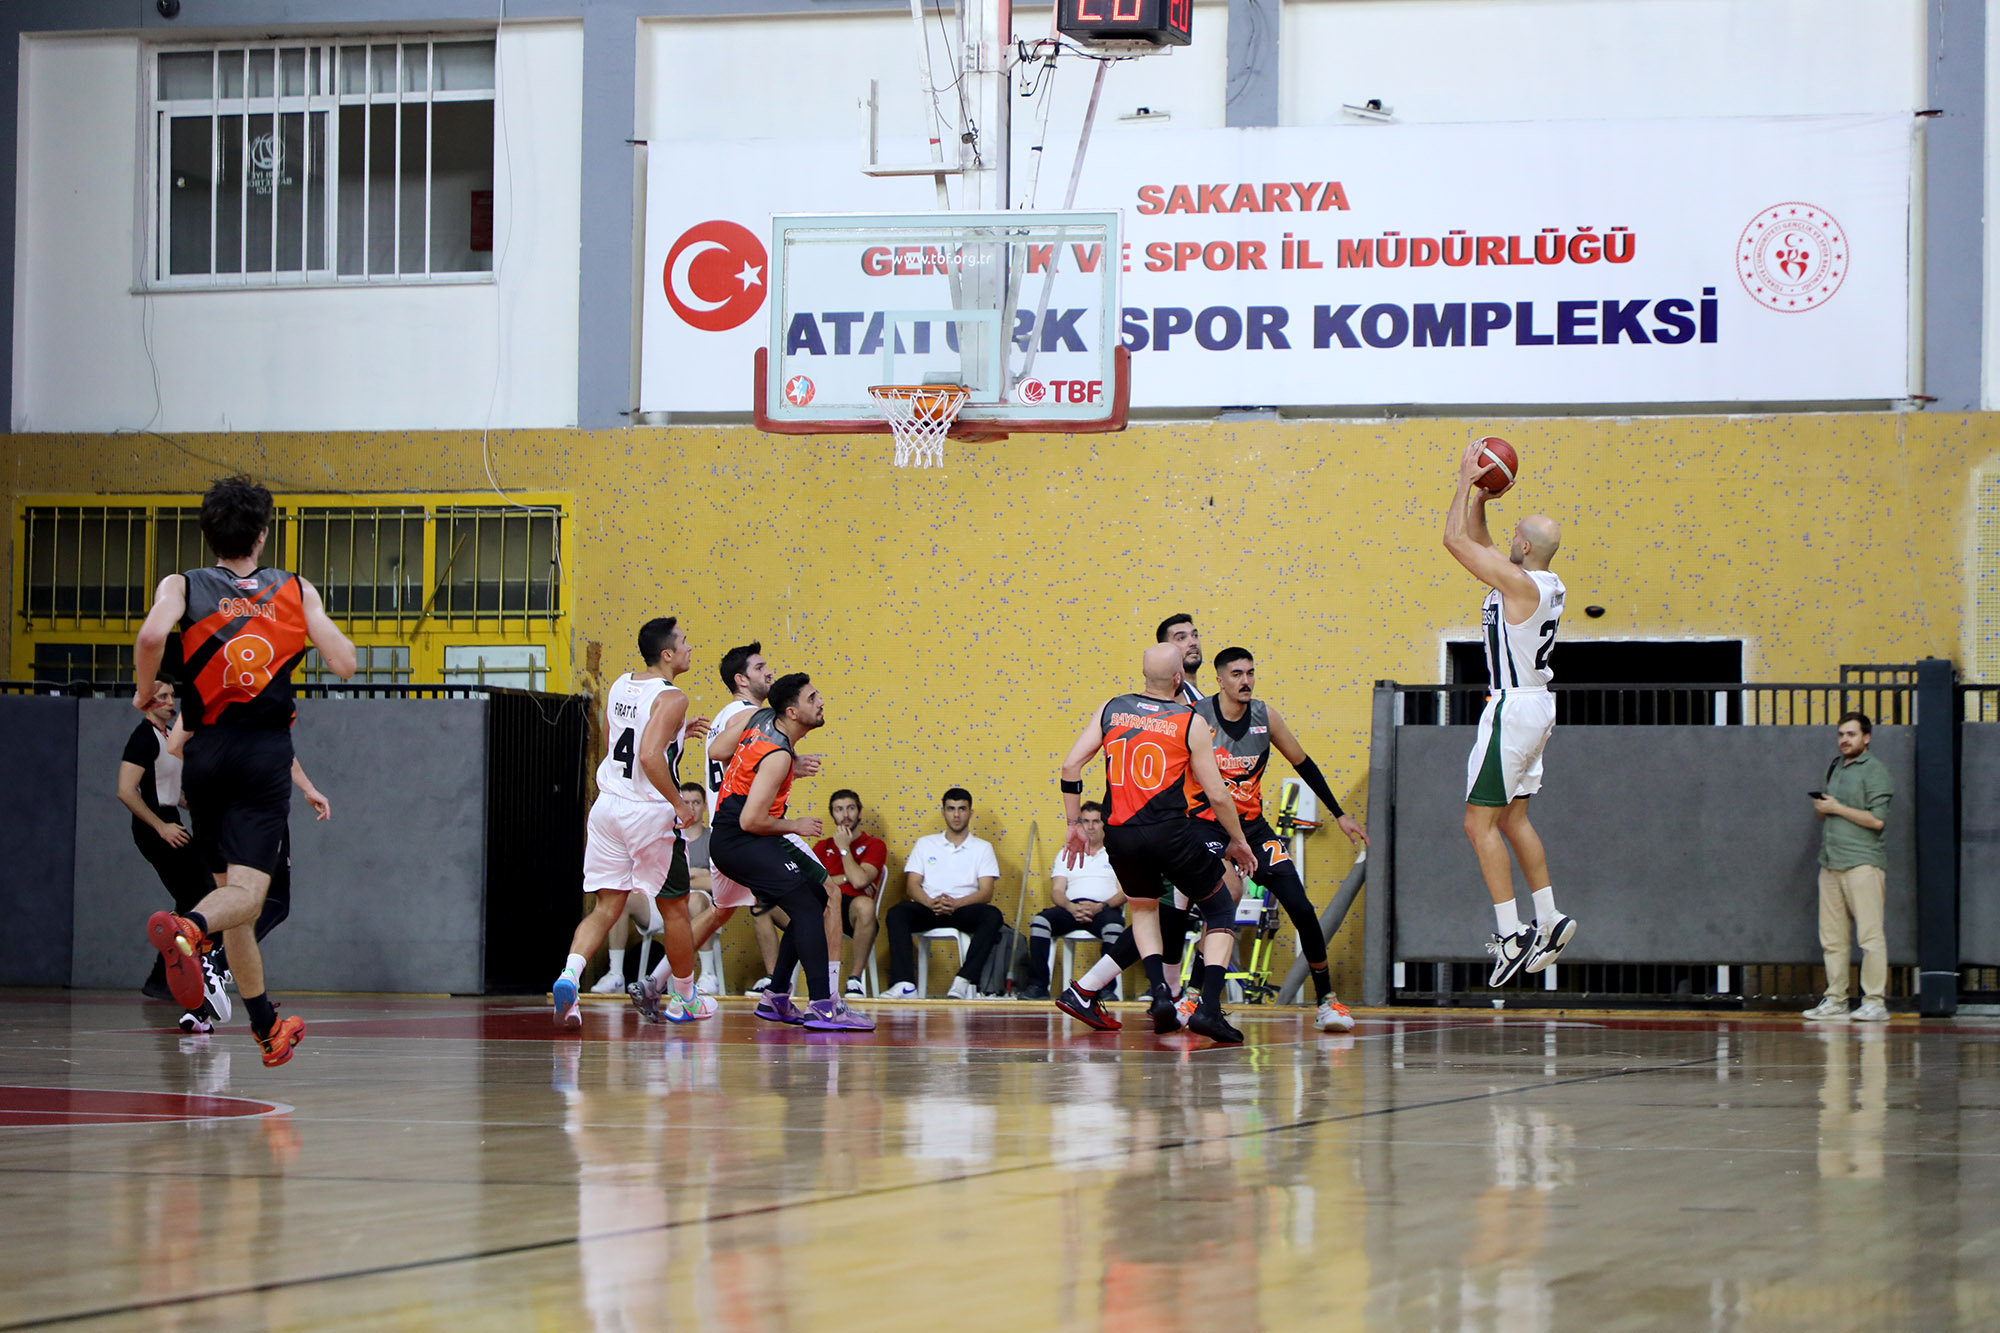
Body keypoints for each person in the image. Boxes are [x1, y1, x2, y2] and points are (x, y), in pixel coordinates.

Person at [133, 474, 357, 1068]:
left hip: (202, 756)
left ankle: (266, 1027)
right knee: (246, 900)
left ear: (208, 533)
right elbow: (343, 664)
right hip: (261, 756)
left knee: (235, 894)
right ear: (263, 534)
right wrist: (310, 617)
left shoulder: (182, 583)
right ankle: (189, 931)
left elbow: (153, 633)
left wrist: (141, 692)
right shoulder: (293, 587)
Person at [1053, 644, 1257, 1043]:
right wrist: (1238, 840)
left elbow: (1070, 765)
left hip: (1120, 834)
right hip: (1169, 831)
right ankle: (1208, 1008)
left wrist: (1074, 823)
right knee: (1219, 906)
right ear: (1180, 679)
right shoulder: (1189, 720)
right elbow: (1217, 794)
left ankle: (1161, 993)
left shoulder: (1112, 708)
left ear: (1144, 675)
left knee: (1145, 911)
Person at [1442, 438, 1578, 987]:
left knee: (1478, 825)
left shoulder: (1518, 584)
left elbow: (1454, 541)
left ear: (1523, 544)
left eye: (1513, 533)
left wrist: (1460, 480)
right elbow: (1478, 539)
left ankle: (1510, 933)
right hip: (1536, 706)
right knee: (1515, 818)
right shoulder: (1541, 582)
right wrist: (1482, 495)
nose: (1507, 540)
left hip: (1513, 709)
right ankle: (1549, 917)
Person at [1194, 646, 1370, 1032]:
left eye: (1250, 673)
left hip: (1254, 830)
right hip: (1212, 831)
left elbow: (1303, 763)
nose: (1245, 681)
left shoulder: (1266, 717)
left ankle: (1327, 1002)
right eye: (1237, 674)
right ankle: (1193, 994)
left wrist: (1339, 814)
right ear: (1220, 679)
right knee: (1225, 902)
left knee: (1302, 908)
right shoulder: (1198, 718)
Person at [550, 617, 710, 1029]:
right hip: (647, 812)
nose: (692, 648)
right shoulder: (672, 697)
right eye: (685, 641)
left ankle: (569, 976)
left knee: (606, 906)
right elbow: (650, 757)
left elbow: (613, 739)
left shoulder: (621, 684)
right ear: (667, 654)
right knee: (675, 910)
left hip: (608, 806)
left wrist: (675, 735)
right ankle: (687, 998)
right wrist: (680, 804)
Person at [708, 673, 870, 1030]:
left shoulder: (760, 718)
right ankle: (822, 1006)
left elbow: (716, 751)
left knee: (814, 897)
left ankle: (778, 997)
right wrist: (794, 824)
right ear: (793, 712)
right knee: (809, 906)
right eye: (813, 698)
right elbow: (752, 819)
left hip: (738, 834)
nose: (821, 702)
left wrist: (764, 767)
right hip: (740, 839)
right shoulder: (778, 753)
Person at [120, 680, 212, 1005]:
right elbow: (126, 790)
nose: (171, 702)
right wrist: (160, 826)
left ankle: (165, 975)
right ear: (147, 703)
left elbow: (168, 789)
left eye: (173, 696)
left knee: (199, 891)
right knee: (195, 892)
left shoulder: (167, 735)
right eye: (163, 697)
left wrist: (192, 803)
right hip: (155, 827)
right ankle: (164, 976)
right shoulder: (143, 737)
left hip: (171, 820)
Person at [1804, 712, 1894, 1023]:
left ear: (1866, 738)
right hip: (1830, 862)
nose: (1845, 739)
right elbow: (1828, 815)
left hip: (1862, 862)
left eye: (1851, 734)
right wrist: (1824, 809)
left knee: (1870, 936)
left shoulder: (1876, 771)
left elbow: (1877, 820)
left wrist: (1837, 808)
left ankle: (1874, 1001)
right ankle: (1836, 998)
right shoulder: (1835, 767)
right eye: (1841, 734)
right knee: (1832, 937)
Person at [882, 788, 1004, 999]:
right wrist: (929, 902)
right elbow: (912, 886)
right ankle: (904, 984)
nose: (956, 815)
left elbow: (986, 893)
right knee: (897, 913)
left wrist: (956, 904)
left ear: (970, 812)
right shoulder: (925, 844)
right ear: (943, 812)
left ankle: (964, 980)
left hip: (963, 909)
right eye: (951, 809)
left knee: (992, 915)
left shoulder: (983, 848)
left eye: (962, 809)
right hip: (929, 907)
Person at [1018, 801, 1124, 1001]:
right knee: (1040, 922)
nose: (1090, 826)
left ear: (1104, 824)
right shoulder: (1067, 852)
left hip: (1104, 909)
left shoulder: (1116, 853)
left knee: (1114, 928)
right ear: (1079, 825)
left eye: (1096, 821)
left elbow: (1124, 893)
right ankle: (1038, 986)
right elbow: (1057, 891)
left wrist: (1099, 907)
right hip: (1071, 908)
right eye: (1085, 821)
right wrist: (1070, 907)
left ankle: (1107, 990)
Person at [812, 789, 888, 997]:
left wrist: (844, 849)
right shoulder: (821, 847)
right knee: (763, 907)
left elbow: (860, 880)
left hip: (852, 911)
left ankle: (855, 979)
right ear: (833, 815)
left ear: (859, 813)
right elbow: (811, 884)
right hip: (823, 908)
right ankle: (774, 977)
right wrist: (845, 878)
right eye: (839, 810)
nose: (845, 815)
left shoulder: (874, 845)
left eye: (851, 808)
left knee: (866, 906)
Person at [1157, 613, 1206, 703]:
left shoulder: (1197, 696)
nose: (1193, 643)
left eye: (1195, 635)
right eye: (1181, 638)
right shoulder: (1169, 699)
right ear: (1165, 649)